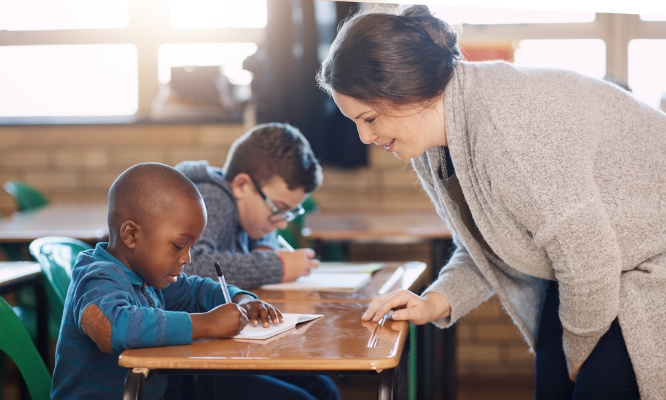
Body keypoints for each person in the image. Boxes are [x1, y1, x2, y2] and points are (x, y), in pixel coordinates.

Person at [317, 4, 666, 400]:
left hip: (645, 263)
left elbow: (589, 259)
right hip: (602, 265)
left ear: (405, 90)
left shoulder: (507, 129)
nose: (365, 138)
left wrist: (579, 353)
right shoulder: (437, 134)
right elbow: (489, 245)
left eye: (369, 118)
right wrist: (433, 301)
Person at [50, 162, 338, 400]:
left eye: (192, 248)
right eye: (178, 246)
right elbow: (111, 326)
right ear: (131, 235)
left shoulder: (148, 277)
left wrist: (242, 299)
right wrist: (208, 324)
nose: (186, 258)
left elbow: (197, 289)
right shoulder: (98, 277)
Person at [175, 122, 323, 289]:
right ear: (242, 186)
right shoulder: (213, 199)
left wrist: (264, 245)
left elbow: (261, 238)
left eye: (288, 212)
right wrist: (276, 267)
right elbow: (189, 265)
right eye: (278, 208)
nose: (282, 223)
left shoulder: (248, 214)